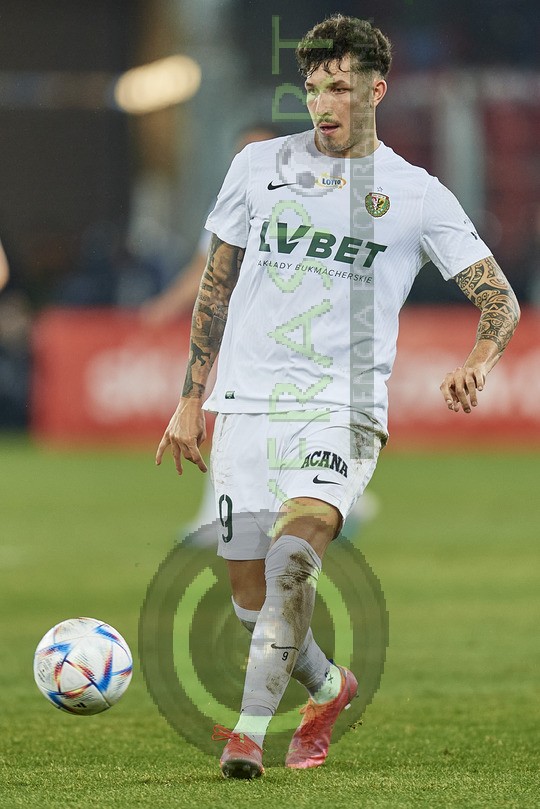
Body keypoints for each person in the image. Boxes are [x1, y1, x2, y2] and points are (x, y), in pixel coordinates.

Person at [156, 15, 520, 779]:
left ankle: (246, 735)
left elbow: (500, 299)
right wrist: (191, 398)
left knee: (293, 560)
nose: (324, 104)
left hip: (342, 410)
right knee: (250, 599)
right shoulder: (258, 165)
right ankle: (328, 687)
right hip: (246, 406)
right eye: (314, 88)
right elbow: (215, 284)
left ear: (376, 90)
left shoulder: (415, 194)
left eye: (341, 89)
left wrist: (479, 362)